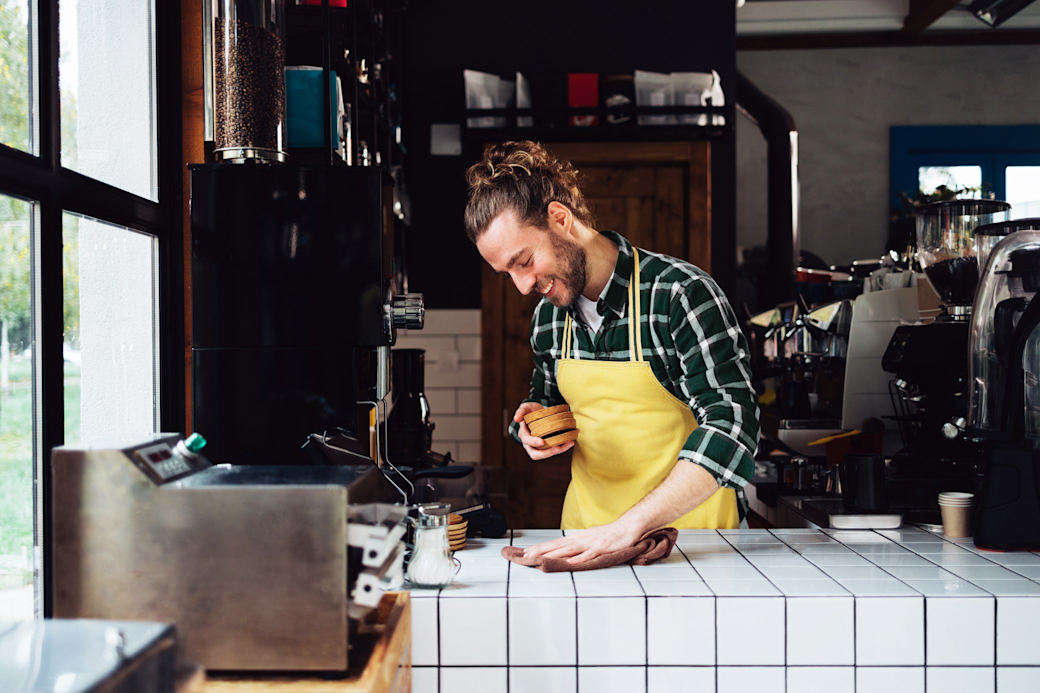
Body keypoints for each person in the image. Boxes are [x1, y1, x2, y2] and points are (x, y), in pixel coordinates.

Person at [464, 140, 760, 565]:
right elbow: (549, 404)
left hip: (697, 544)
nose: (522, 286)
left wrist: (628, 527)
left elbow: (733, 425)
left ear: (560, 219)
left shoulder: (678, 294)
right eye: (506, 273)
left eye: (524, 260)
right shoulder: (550, 319)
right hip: (585, 541)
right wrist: (532, 427)